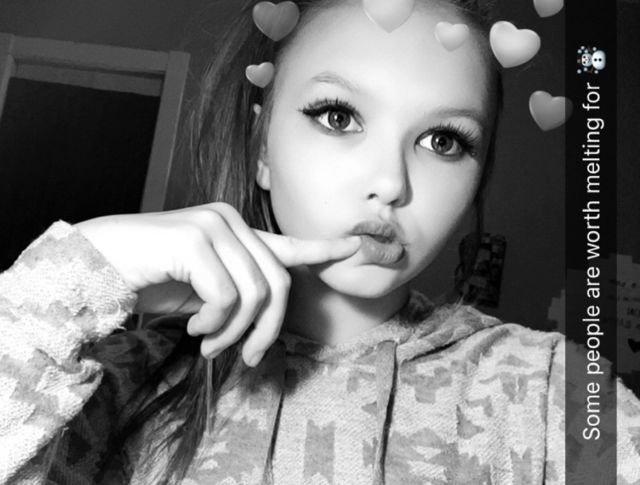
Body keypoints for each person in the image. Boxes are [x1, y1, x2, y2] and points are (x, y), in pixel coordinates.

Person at [1, 0, 639, 483]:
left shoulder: (547, 390)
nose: (390, 183)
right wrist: (79, 273)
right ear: (261, 149)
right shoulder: (108, 380)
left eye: (443, 141)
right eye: (339, 116)